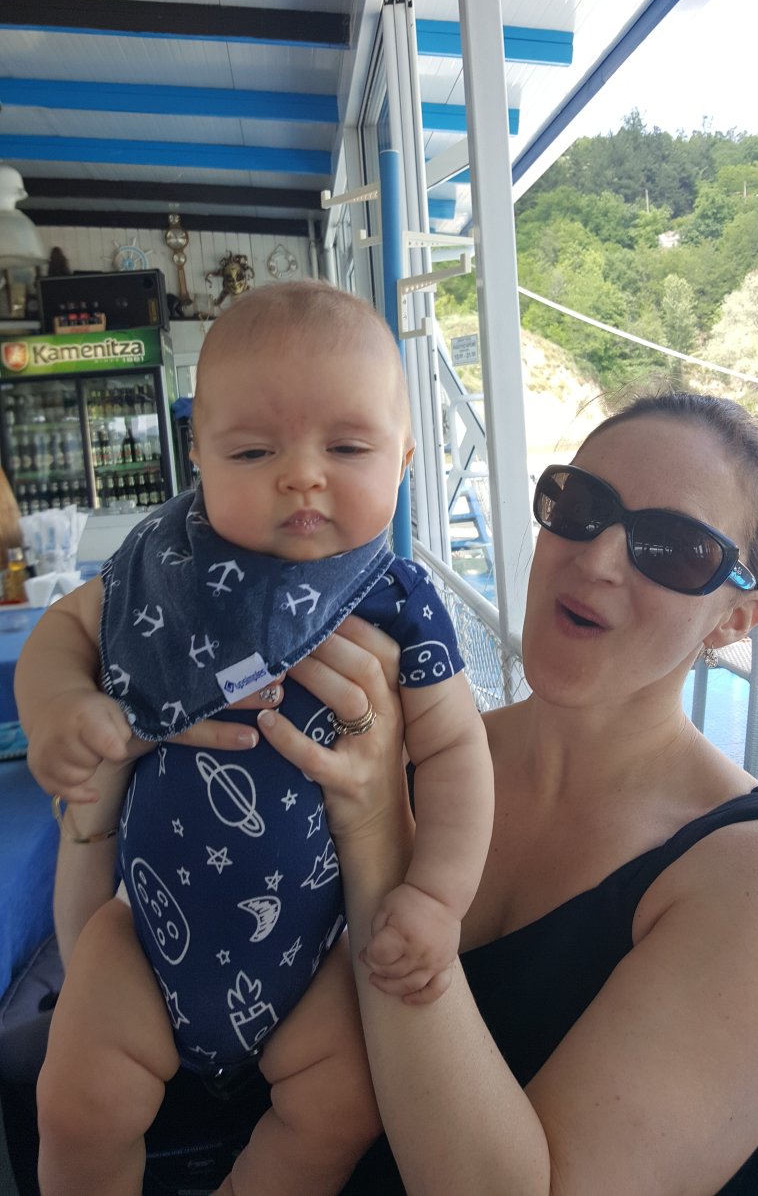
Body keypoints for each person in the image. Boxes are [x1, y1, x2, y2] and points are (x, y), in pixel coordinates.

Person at [16, 280, 492, 1195]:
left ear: (404, 455)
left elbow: (456, 753)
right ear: (197, 455)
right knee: (74, 1103)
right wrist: (61, 710)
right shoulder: (166, 564)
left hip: (314, 953)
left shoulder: (399, 603)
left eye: (346, 447)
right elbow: (64, 632)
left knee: (340, 1107)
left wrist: (437, 896)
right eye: (252, 450)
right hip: (143, 936)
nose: (302, 474)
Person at [257, 390, 758, 1194]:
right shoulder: (400, 744)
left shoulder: (744, 876)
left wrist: (377, 827)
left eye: (673, 548)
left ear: (735, 620)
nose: (597, 558)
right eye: (581, 505)